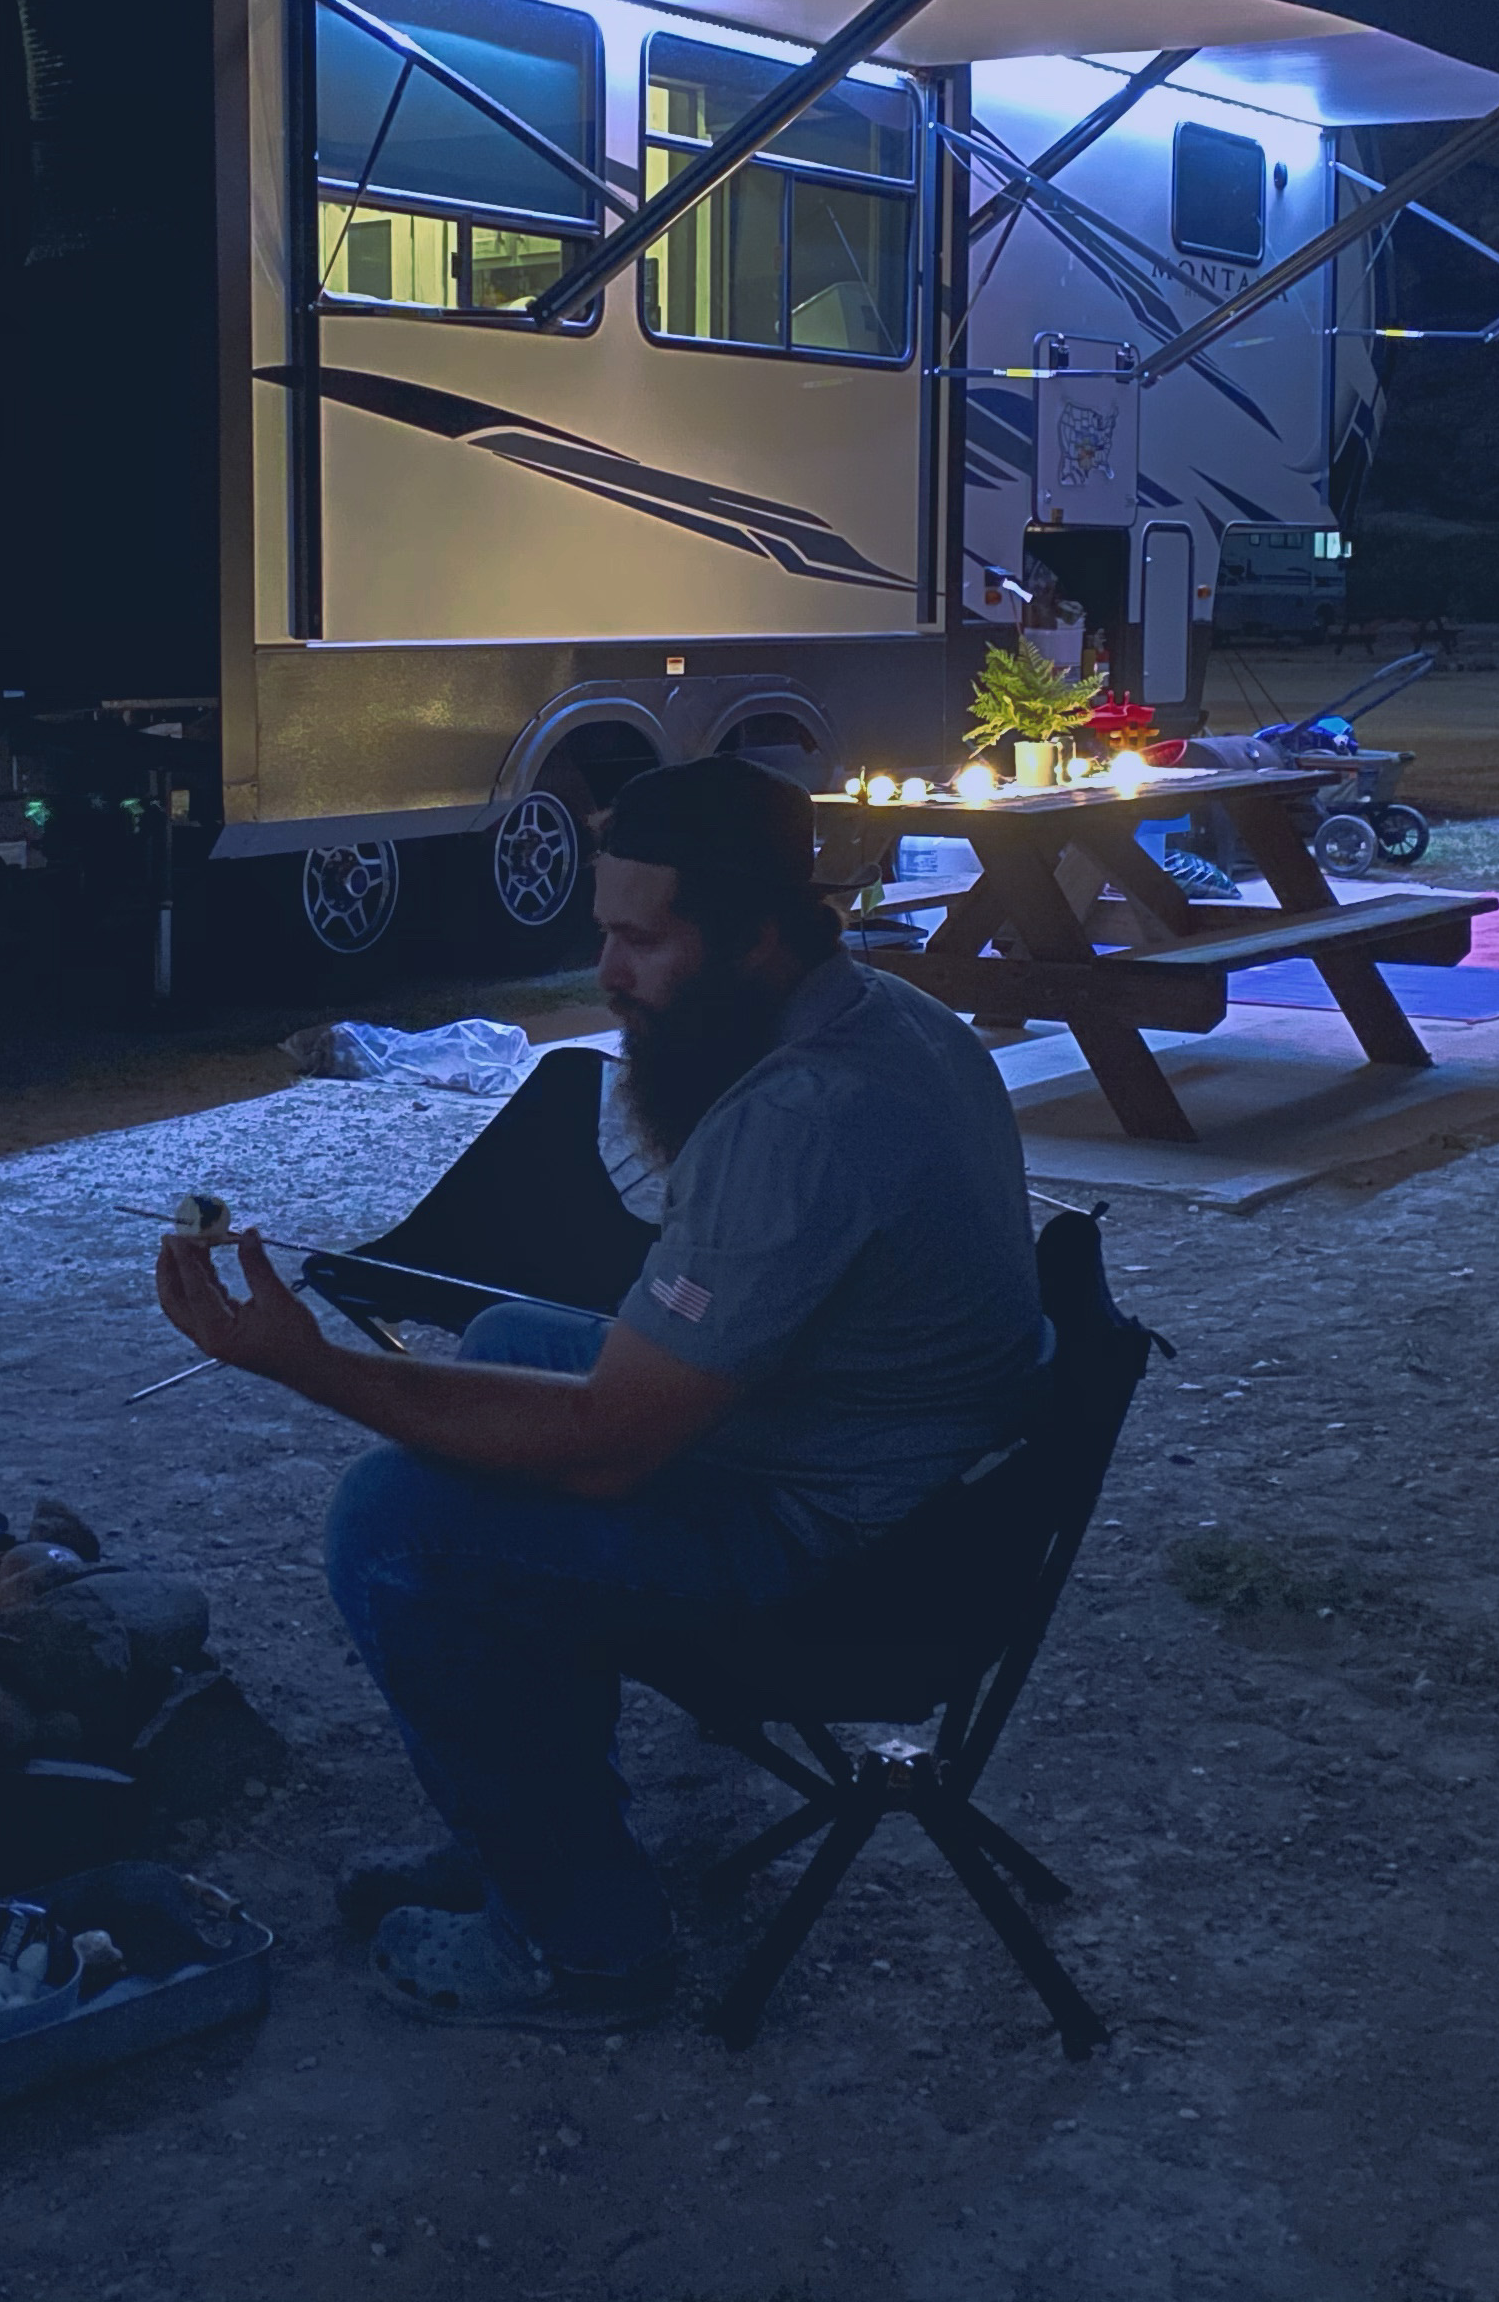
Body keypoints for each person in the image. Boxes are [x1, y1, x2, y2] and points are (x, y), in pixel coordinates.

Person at [151, 756, 1045, 2030]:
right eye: (604, 934)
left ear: (752, 939)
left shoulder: (802, 1121)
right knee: (515, 1330)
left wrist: (307, 1362)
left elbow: (609, 1452)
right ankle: (533, 1831)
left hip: (867, 1553)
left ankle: (580, 1943)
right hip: (910, 1465)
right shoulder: (885, 1014)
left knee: (394, 1529)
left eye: (641, 940)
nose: (610, 975)